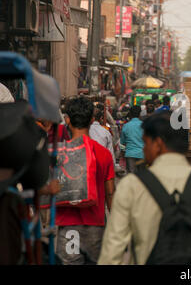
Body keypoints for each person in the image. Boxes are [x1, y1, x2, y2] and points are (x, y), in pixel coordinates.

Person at [98, 111, 191, 265]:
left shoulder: (132, 186)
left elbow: (112, 254)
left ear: (158, 144)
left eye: (145, 143)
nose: (144, 149)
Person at [55, 96, 115, 265]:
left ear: (67, 120)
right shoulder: (103, 154)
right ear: (92, 120)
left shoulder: (60, 154)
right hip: (95, 225)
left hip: (68, 227)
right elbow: (110, 193)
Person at [120, 105, 144, 173]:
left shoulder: (126, 126)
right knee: (142, 178)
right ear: (140, 114)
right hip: (142, 154)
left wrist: (122, 154)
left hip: (130, 154)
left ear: (130, 114)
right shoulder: (144, 125)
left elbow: (122, 143)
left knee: (131, 177)